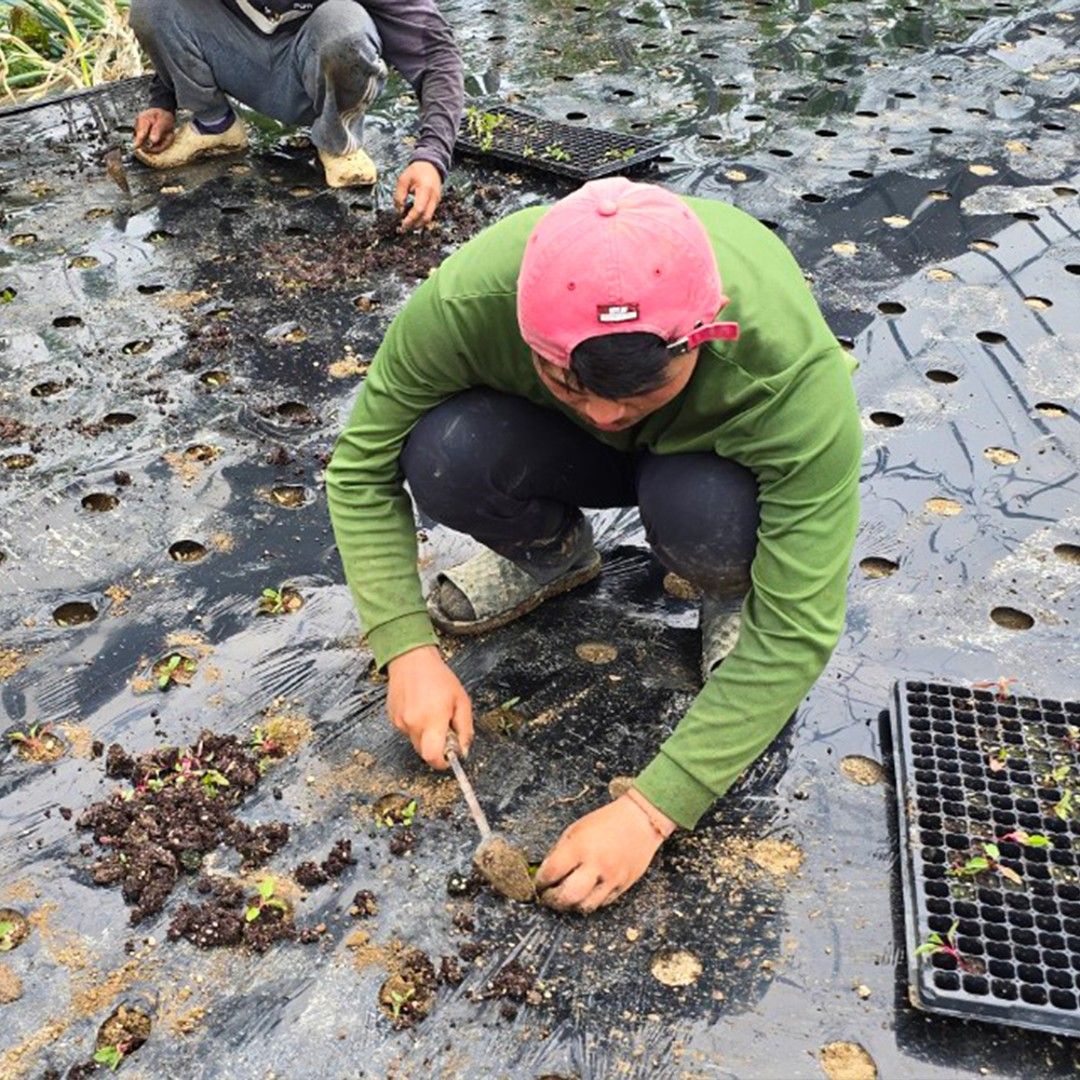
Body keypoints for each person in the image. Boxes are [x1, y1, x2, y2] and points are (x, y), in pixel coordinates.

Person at [326, 177, 862, 912]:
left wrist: (652, 811)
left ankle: (726, 589)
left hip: (702, 468)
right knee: (444, 452)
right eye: (571, 381)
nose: (608, 413)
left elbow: (800, 627)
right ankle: (554, 554)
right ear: (527, 334)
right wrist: (406, 649)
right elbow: (359, 470)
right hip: (564, 450)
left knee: (702, 512)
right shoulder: (469, 303)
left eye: (639, 390)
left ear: (703, 338)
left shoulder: (789, 373)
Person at [127, 0, 463, 229]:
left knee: (345, 29)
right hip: (239, 54)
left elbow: (435, 54)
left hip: (317, 68)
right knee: (154, 5)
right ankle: (214, 123)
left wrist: (431, 157)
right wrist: (164, 100)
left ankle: (337, 139)